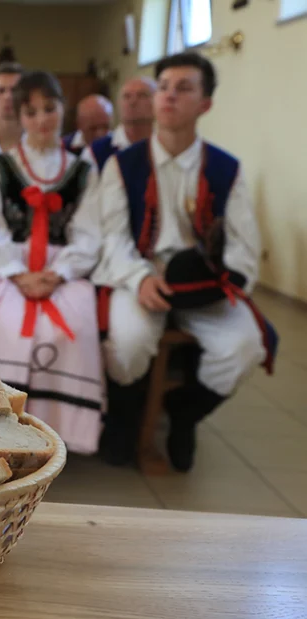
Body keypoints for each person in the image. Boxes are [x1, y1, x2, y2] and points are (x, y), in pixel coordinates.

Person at [94, 53, 274, 472]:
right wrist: (139, 278)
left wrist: (208, 284)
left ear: (205, 104)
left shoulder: (226, 169)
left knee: (244, 345)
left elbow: (244, 249)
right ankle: (126, 420)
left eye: (185, 87)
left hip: (202, 286)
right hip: (140, 276)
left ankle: (184, 413)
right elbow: (113, 236)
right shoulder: (124, 164)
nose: (170, 95)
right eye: (166, 87)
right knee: (128, 342)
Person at [0, 71, 103, 454]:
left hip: (62, 270)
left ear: (65, 109)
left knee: (73, 323)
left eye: (50, 109)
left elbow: (89, 232)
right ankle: (1, 426)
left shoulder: (82, 171)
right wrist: (18, 274)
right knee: (9, 323)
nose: (42, 120)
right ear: (20, 117)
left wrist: (59, 273)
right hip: (10, 269)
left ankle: (61, 432)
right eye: (31, 112)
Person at [84, 76, 155, 172]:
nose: (132, 101)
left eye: (142, 95)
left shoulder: (167, 145)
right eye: (126, 96)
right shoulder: (95, 152)